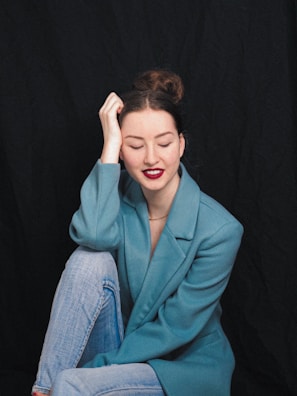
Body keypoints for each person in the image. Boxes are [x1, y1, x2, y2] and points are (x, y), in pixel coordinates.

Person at [32, 69, 243, 396]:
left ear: (181, 144)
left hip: (178, 364)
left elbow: (174, 328)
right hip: (122, 343)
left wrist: (94, 369)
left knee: (72, 382)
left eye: (164, 143)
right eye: (133, 145)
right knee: (89, 260)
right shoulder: (119, 197)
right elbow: (93, 236)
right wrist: (109, 148)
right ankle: (43, 390)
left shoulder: (220, 231)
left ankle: (57, 386)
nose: (151, 158)